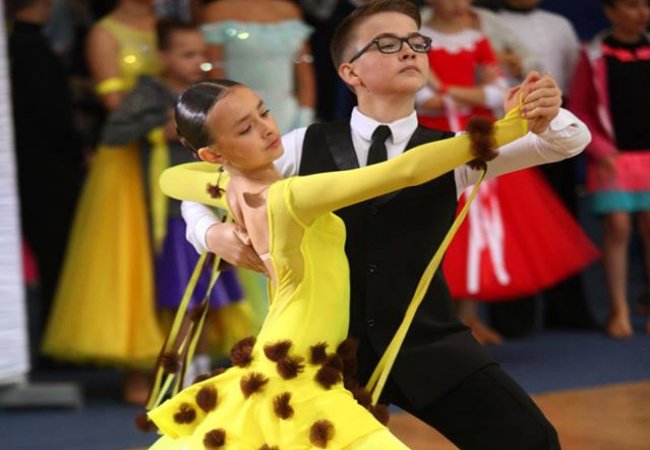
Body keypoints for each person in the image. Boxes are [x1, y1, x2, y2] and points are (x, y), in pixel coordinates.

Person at [181, 1, 591, 448]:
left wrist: (548, 113)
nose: (409, 50)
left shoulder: (456, 150)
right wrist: (213, 234)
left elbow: (565, 143)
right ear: (350, 73)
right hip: (325, 354)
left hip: (428, 343)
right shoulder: (300, 145)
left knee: (530, 439)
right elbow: (198, 188)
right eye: (387, 44)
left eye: (417, 41)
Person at [147, 76, 528, 448]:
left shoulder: (230, 186)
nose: (266, 129)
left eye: (263, 112)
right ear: (213, 155)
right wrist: (512, 126)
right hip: (298, 370)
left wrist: (212, 231)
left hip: (290, 355)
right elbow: (405, 170)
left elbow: (172, 178)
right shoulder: (291, 197)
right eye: (246, 128)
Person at [99, 19, 250, 383]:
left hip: (209, 202)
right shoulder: (149, 93)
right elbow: (114, 133)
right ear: (163, 57)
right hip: (167, 209)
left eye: (201, 54)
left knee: (204, 292)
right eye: (187, 54)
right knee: (180, 291)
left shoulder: (206, 92)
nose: (197, 61)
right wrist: (157, 130)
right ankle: (175, 372)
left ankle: (199, 368)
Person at [41, 0, 163, 405]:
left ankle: (180, 359)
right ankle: (134, 366)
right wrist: (171, 121)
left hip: (173, 151)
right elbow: (114, 102)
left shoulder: (170, 25)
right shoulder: (104, 32)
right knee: (129, 255)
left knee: (175, 251)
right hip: (128, 158)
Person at [199, 0, 317, 332]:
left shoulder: (288, 10)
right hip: (239, 128)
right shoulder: (217, 12)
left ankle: (301, 307)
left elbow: (304, 70)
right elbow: (214, 79)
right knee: (250, 214)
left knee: (293, 213)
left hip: (286, 119)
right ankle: (259, 320)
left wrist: (304, 119)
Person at [8, 0, 85, 369]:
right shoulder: (32, 49)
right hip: (48, 168)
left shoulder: (19, 45)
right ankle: (57, 346)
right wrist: (78, 149)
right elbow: (52, 114)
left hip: (33, 164)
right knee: (57, 255)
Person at [569, 0, 650, 338]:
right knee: (618, 228)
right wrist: (601, 150)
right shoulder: (593, 55)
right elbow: (579, 108)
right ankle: (619, 308)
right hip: (612, 160)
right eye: (632, 5)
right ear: (610, 11)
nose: (642, 13)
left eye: (645, 5)